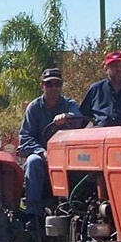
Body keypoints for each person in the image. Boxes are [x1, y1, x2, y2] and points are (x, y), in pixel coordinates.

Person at [18, 68, 82, 230]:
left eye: (57, 84)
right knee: (33, 162)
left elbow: (79, 119)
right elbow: (25, 139)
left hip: (67, 158)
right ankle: (33, 215)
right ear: (42, 86)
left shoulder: (69, 105)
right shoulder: (34, 108)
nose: (53, 87)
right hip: (42, 159)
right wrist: (43, 152)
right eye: (49, 84)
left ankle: (80, 208)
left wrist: (68, 117)